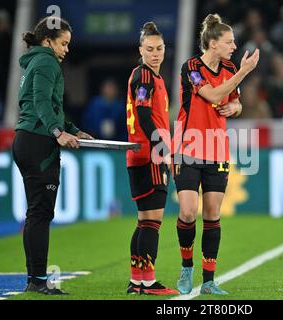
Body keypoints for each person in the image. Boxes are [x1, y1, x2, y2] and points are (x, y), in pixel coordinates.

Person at [172, 13, 259, 295]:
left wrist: (235, 109)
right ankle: (187, 269)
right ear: (212, 43)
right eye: (229, 42)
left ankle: (209, 280)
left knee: (211, 214)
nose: (234, 47)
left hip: (217, 150)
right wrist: (244, 72)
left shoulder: (229, 67)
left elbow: (235, 103)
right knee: (187, 212)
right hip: (188, 148)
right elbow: (211, 95)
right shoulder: (192, 67)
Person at [12, 16, 93, 295]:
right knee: (40, 212)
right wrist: (58, 132)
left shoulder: (35, 61)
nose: (67, 49)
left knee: (37, 211)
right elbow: (41, 101)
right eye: (63, 43)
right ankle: (36, 280)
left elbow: (46, 106)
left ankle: (35, 278)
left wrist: (72, 129)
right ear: (48, 41)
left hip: (27, 139)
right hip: (38, 143)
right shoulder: (46, 61)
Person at [125, 22, 178, 295]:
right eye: (149, 49)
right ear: (140, 50)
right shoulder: (145, 76)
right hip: (150, 155)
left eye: (159, 48)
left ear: (165, 49)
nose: (155, 53)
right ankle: (148, 282)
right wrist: (162, 148)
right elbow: (144, 115)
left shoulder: (148, 76)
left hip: (139, 155)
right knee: (152, 221)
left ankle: (137, 280)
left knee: (144, 219)